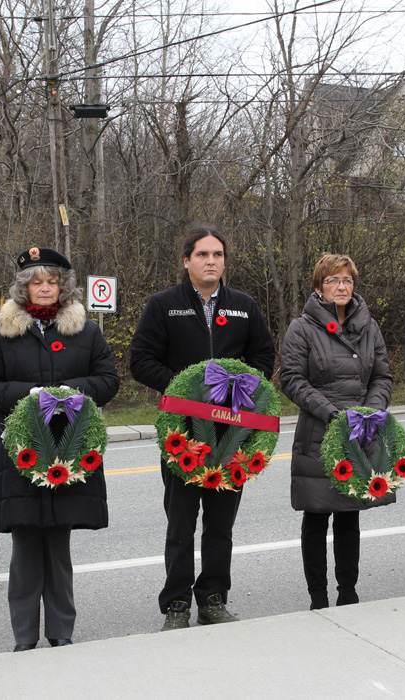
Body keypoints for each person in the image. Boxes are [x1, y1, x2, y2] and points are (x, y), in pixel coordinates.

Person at [129, 225, 276, 631]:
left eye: (217, 254)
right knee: (180, 523)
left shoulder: (243, 306)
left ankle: (213, 598)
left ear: (224, 261)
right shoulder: (163, 305)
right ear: (187, 261)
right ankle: (175, 604)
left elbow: (263, 354)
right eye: (202, 255)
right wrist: (186, 390)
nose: (211, 261)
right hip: (182, 432)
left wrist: (241, 387)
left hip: (232, 433)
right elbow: (141, 359)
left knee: (220, 524)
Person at [0, 247, 118, 652]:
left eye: (51, 281)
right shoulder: (3, 332)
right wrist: (31, 395)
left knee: (57, 545)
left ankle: (61, 630)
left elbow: (108, 380)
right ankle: (24, 636)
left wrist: (70, 393)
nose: (43, 288)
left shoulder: (85, 330)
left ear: (62, 286)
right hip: (21, 452)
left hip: (69, 448)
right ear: (24, 288)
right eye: (36, 282)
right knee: (24, 548)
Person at [280, 254, 395, 610]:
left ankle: (349, 593)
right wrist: (332, 413)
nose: (341, 286)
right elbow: (291, 379)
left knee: (349, 517)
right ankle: (318, 598)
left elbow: (382, 376)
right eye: (333, 280)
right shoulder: (302, 328)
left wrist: (371, 412)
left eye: (347, 280)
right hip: (319, 432)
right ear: (319, 288)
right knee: (316, 517)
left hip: (360, 433)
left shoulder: (368, 326)